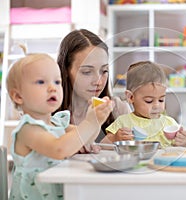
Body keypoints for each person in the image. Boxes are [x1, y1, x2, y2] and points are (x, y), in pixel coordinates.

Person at [7, 53, 113, 199]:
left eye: (57, 82)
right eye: (41, 82)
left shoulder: (58, 123)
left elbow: (85, 139)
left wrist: (97, 118)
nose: (53, 88)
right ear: (18, 96)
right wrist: (90, 122)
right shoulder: (28, 129)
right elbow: (59, 149)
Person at [56, 29, 131, 146]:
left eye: (104, 71)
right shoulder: (48, 115)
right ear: (65, 70)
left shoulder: (119, 110)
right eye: (87, 72)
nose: (98, 81)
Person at [106, 61, 186, 147]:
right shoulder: (122, 122)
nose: (157, 105)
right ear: (131, 97)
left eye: (161, 100)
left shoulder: (169, 123)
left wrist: (185, 143)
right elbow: (102, 145)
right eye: (149, 101)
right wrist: (115, 138)